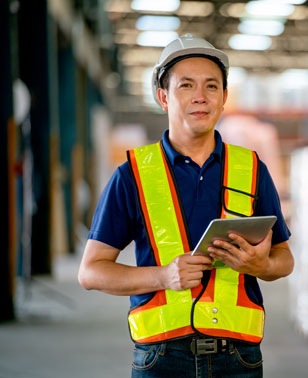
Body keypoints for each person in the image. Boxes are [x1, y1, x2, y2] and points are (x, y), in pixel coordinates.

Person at [78, 34, 294, 378]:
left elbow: (284, 259)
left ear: (224, 98)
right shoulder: (132, 175)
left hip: (239, 359)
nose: (200, 97)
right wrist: (163, 276)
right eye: (186, 85)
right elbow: (91, 272)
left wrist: (260, 265)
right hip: (161, 359)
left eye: (212, 86)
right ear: (163, 97)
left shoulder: (252, 169)